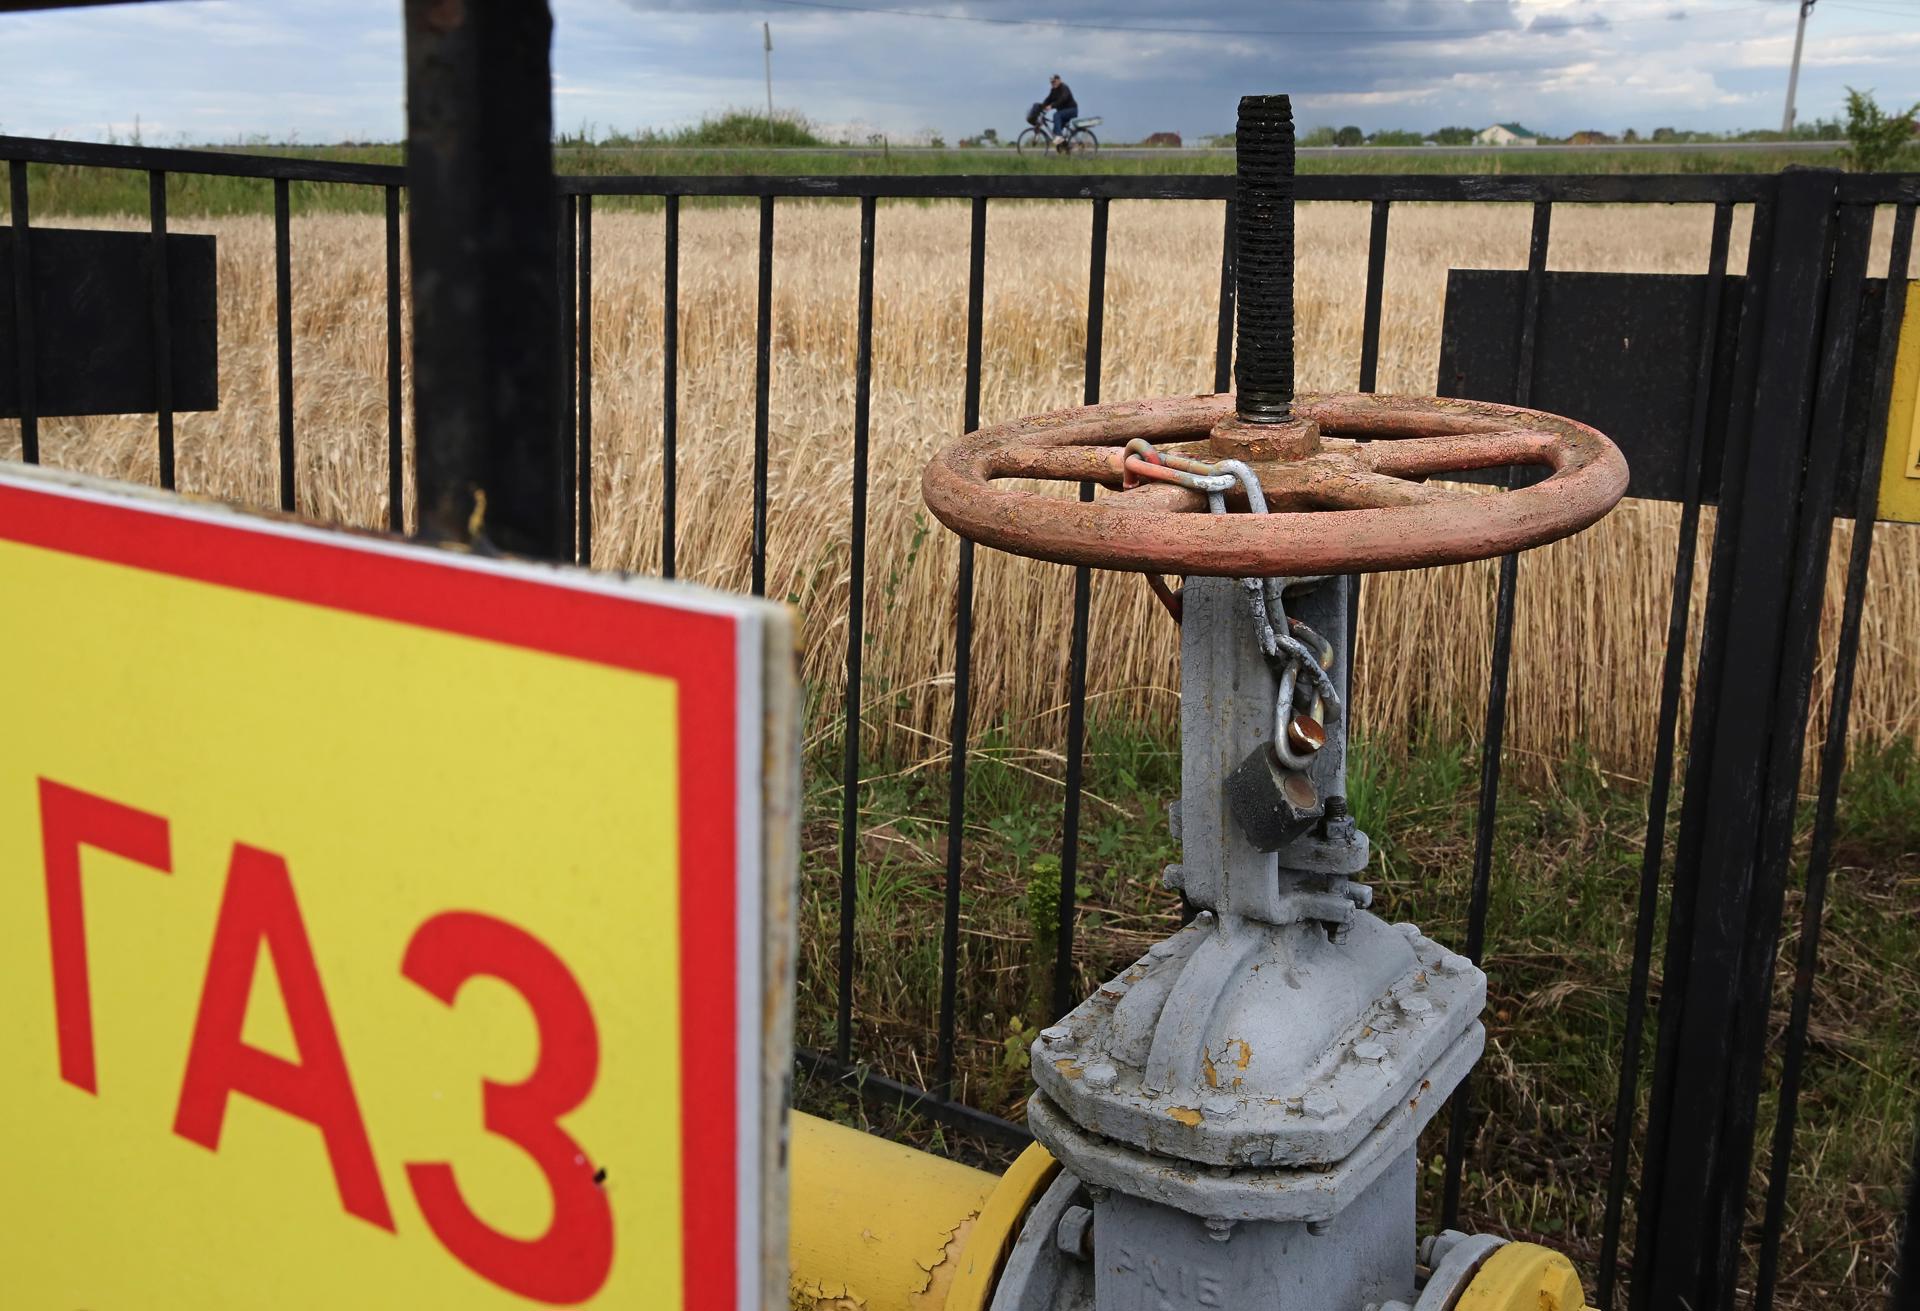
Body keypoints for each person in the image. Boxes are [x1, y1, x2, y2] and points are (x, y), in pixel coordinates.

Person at [1035, 74, 1077, 141]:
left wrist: (1052, 106)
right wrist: (1040, 107)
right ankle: (1064, 146)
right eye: (1051, 82)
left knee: (1056, 115)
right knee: (1055, 131)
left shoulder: (1064, 87)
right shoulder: (1053, 91)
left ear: (1059, 80)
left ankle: (1059, 137)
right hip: (1063, 112)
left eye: (1054, 81)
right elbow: (1048, 99)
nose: (1053, 83)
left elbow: (1063, 98)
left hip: (1071, 110)